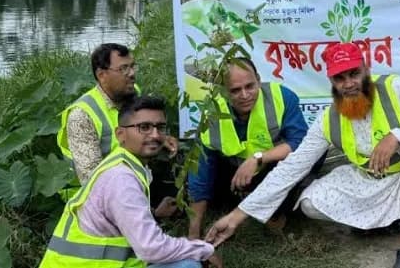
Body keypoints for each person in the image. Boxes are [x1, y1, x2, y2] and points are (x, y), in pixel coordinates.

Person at [205, 43, 400, 268]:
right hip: (374, 182)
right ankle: (389, 221)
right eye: (339, 78)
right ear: (331, 80)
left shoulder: (396, 87)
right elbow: (292, 167)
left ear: (366, 69)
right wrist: (237, 216)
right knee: (311, 202)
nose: (349, 84)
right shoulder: (328, 119)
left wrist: (397, 136)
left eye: (354, 74)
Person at [39, 96, 221, 268]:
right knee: (189, 265)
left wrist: (154, 215)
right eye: (144, 127)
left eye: (160, 127)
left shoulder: (123, 164)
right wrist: (202, 250)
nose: (156, 135)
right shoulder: (122, 178)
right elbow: (151, 248)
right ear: (120, 134)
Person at [186, 58, 309, 239]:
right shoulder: (212, 112)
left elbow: (301, 142)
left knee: (304, 164)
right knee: (194, 172)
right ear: (223, 91)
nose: (244, 95)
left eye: (250, 86)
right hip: (234, 173)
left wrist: (258, 158)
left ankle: (276, 215)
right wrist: (193, 233)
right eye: (235, 90)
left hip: (272, 169)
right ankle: (238, 201)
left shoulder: (282, 98)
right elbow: (200, 171)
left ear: (258, 80)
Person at [58, 43, 178, 186]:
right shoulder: (82, 115)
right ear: (102, 75)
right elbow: (92, 180)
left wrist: (160, 138)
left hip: (134, 181)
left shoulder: (133, 92)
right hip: (100, 200)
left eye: (132, 66)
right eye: (124, 69)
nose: (132, 74)